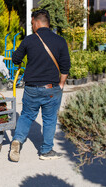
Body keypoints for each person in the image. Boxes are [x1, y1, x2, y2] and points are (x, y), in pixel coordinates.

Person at [9, 9, 71, 162]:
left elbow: (15, 58)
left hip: (31, 88)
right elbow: (65, 66)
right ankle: (46, 151)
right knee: (49, 119)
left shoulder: (29, 40)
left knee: (26, 115)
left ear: (37, 22)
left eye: (32, 24)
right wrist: (61, 84)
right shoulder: (60, 41)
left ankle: (17, 141)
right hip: (51, 88)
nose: (32, 26)